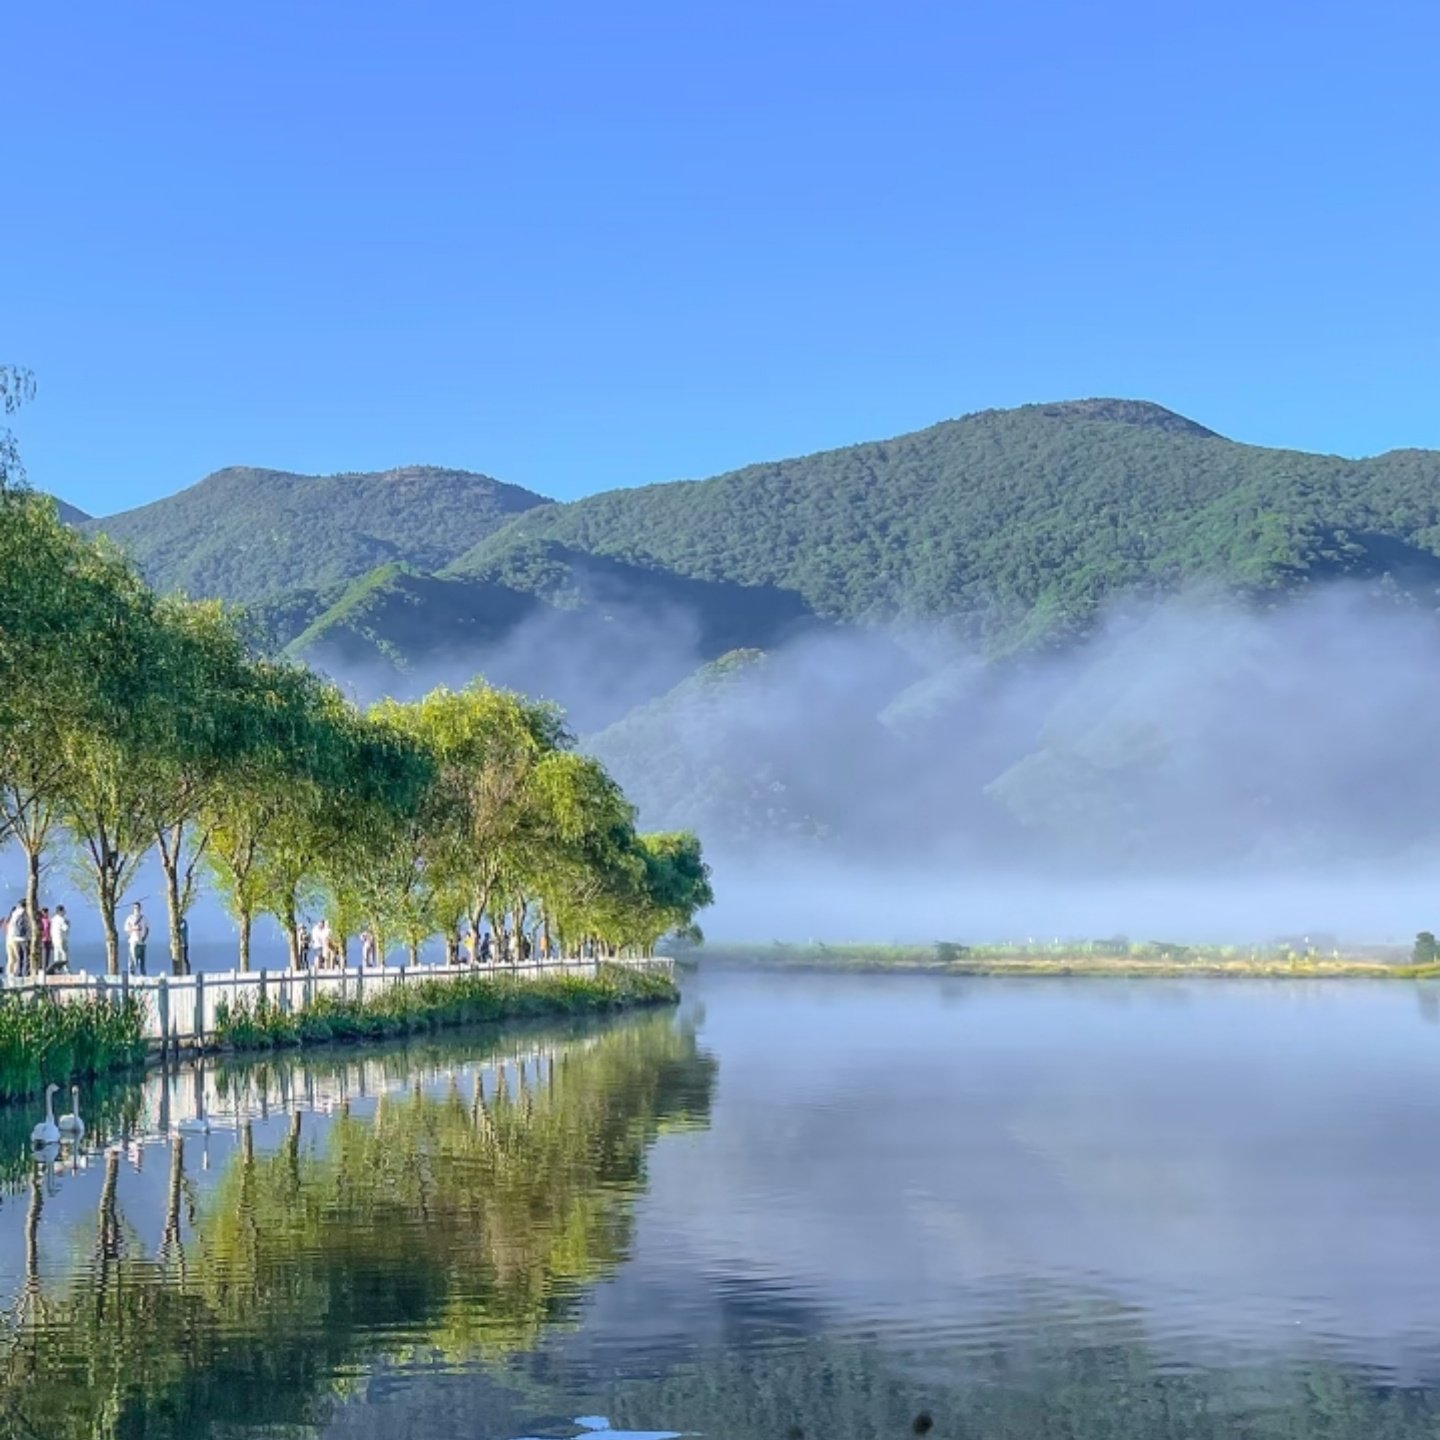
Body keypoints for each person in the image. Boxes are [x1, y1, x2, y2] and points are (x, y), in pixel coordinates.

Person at [124, 903, 149, 975]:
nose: (136, 909)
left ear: (140, 908)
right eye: (135, 908)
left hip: (141, 943)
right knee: (132, 959)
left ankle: (143, 975)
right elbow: (126, 929)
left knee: (142, 961)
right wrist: (130, 936)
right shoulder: (130, 918)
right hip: (132, 942)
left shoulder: (144, 918)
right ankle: (132, 974)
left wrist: (144, 938)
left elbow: (147, 929)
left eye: (138, 907)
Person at [5, 901, 29, 976]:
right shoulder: (23, 913)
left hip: (10, 939)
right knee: (20, 957)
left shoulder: (11, 918)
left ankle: (10, 973)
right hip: (18, 938)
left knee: (11, 958)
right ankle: (19, 972)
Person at [49, 906, 70, 973]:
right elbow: (65, 928)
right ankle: (66, 969)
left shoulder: (53, 919)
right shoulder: (61, 919)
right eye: (64, 911)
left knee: (56, 954)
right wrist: (67, 923)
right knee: (64, 953)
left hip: (54, 939)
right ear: (60, 911)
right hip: (61, 938)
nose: (65, 912)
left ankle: (56, 969)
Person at [39, 908, 52, 973]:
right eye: (45, 912)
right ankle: (43, 969)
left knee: (47, 955)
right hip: (43, 940)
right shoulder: (40, 920)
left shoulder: (48, 920)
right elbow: (41, 930)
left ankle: (46, 968)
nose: (47, 914)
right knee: (43, 955)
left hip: (48, 939)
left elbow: (50, 930)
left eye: (47, 913)